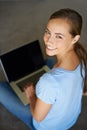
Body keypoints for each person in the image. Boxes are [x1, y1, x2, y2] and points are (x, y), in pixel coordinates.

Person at [0, 8, 87, 130]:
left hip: (46, 126)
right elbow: (84, 91)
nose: (49, 41)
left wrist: (31, 95)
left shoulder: (48, 82)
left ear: (75, 39)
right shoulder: (81, 58)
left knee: (1, 88)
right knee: (49, 62)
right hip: (70, 119)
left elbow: (38, 117)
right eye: (48, 32)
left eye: (59, 37)